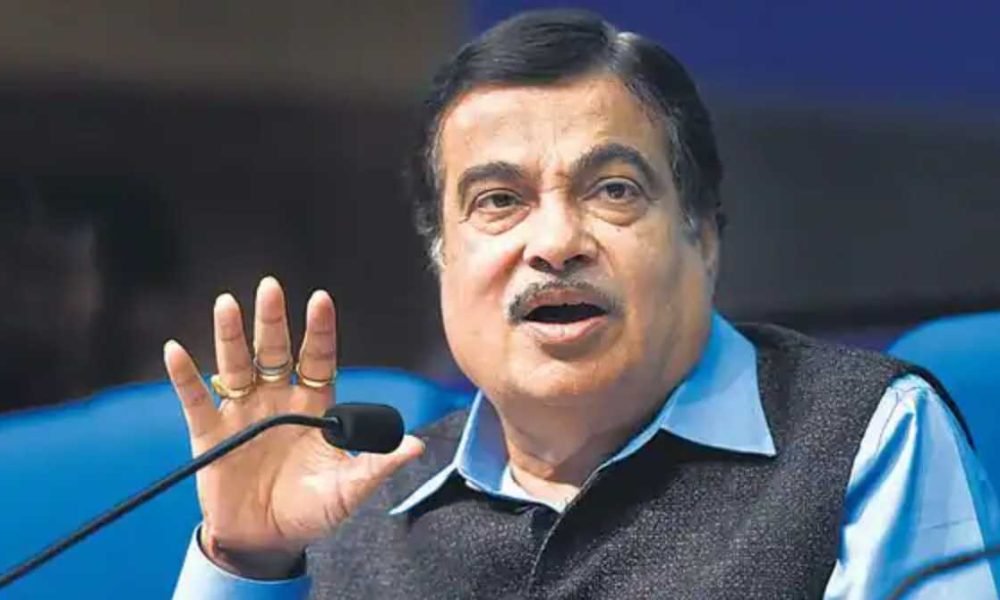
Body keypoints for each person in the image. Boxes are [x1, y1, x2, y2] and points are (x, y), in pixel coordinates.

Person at [168, 9, 999, 599]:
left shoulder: (864, 436)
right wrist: (248, 562)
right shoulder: (361, 505)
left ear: (704, 237)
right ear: (441, 258)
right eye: (499, 201)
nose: (556, 241)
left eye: (613, 190)